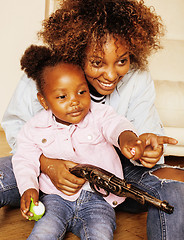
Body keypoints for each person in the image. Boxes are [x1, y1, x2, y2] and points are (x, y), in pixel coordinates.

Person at [1, 0, 183, 239]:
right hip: (44, 170)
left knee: (176, 184)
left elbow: (133, 130)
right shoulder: (47, 73)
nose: (111, 75)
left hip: (113, 172)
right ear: (76, 52)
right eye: (97, 62)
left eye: (122, 61)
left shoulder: (138, 78)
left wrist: (144, 148)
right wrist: (48, 165)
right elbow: (18, 132)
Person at [13, 44, 147, 239]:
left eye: (81, 92)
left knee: (100, 234)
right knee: (42, 234)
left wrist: (127, 138)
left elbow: (115, 125)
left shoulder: (99, 115)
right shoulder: (34, 128)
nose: (75, 101)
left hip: (100, 201)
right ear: (43, 101)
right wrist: (29, 188)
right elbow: (24, 160)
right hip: (55, 199)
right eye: (62, 96)